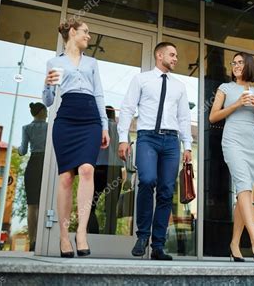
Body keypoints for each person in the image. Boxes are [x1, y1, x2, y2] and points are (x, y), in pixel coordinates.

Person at [118, 42, 193, 261]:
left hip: (171, 142)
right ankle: (142, 236)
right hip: (147, 138)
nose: (176, 58)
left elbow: (184, 118)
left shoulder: (179, 86)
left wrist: (187, 145)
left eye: (176, 55)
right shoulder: (141, 79)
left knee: (167, 191)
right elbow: (128, 108)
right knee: (148, 180)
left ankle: (158, 245)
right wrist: (124, 139)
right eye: (172, 54)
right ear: (159, 55)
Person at [43, 17, 110, 258]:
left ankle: (81, 232)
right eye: (85, 32)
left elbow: (100, 95)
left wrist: (104, 126)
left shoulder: (92, 62)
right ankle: (63, 236)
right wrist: (46, 85)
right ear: (72, 32)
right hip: (66, 118)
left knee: (87, 170)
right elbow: (49, 100)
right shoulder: (54, 62)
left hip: (90, 117)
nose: (88, 36)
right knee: (65, 178)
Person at [209, 52, 254, 262]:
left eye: (240, 62)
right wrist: (236, 104)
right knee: (243, 186)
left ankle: (234, 244)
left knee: (245, 193)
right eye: (234, 63)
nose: (236, 65)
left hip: (252, 144)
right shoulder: (225, 88)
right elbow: (213, 116)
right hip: (232, 141)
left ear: (249, 65)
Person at [88, 106, 123, 234]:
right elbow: (127, 154)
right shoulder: (120, 130)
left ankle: (92, 233)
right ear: (114, 114)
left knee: (90, 206)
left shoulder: (98, 128)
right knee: (111, 208)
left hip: (97, 170)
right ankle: (109, 236)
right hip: (115, 171)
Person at [18, 102, 48, 252]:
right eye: (46, 109)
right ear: (41, 111)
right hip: (46, 164)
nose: (48, 112)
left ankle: (33, 241)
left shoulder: (26, 128)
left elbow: (22, 151)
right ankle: (44, 240)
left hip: (33, 164)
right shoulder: (50, 127)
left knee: (32, 205)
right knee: (45, 203)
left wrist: (18, 150)